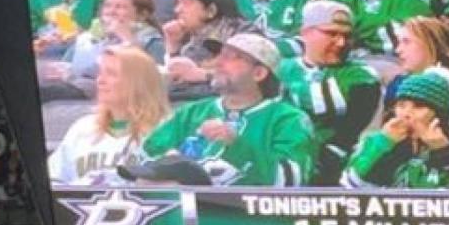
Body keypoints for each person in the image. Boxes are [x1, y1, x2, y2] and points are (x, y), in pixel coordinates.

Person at [134, 34, 316, 186]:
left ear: (258, 73)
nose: (219, 62)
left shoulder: (288, 120)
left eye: (233, 57)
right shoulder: (193, 112)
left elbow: (290, 183)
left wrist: (237, 146)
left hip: (242, 222)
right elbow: (145, 156)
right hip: (182, 213)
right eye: (221, 54)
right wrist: (165, 161)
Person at [278, 1, 381, 185]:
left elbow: (322, 106)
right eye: (331, 34)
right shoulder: (282, 68)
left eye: (347, 36)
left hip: (332, 170)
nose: (341, 43)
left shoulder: (362, 76)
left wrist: (282, 92)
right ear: (305, 33)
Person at [48, 46, 170, 185]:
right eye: (100, 73)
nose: (100, 80)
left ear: (139, 83)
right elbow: (53, 182)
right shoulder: (83, 128)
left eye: (111, 74)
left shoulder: (166, 132)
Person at [342, 72, 449, 189]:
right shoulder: (375, 141)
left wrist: (444, 152)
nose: (406, 114)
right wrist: (382, 143)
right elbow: (350, 185)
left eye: (418, 106)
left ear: (439, 115)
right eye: (401, 105)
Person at [386, 16, 449, 131]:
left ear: (432, 43)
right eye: (398, 43)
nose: (398, 50)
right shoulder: (400, 83)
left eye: (407, 42)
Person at [162, 0, 254, 86]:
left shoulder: (245, 35)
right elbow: (178, 77)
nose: (177, 10)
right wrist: (173, 46)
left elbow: (248, 76)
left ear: (211, 10)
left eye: (186, 3)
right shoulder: (190, 40)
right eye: (178, 3)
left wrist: (203, 74)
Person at [63, 0, 165, 79]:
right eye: (107, 6)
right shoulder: (88, 38)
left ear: (142, 15)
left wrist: (126, 36)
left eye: (120, 7)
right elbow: (64, 66)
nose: (111, 11)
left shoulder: (152, 42)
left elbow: (153, 80)